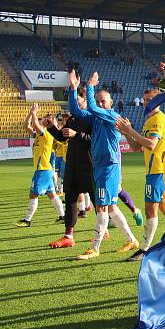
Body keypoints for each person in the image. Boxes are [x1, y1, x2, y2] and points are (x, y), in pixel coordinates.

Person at [67, 70, 139, 260]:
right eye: (98, 101)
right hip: (100, 167)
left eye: (103, 101)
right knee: (112, 208)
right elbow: (76, 111)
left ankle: (95, 247)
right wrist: (73, 89)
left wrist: (90, 86)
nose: (99, 104)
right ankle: (132, 240)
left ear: (111, 104)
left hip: (108, 167)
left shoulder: (111, 116)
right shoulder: (96, 118)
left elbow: (90, 106)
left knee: (101, 208)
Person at [116, 88, 165, 262]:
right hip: (154, 171)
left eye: (150, 100)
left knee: (150, 209)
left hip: (158, 171)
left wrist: (130, 131)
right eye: (145, 100)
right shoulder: (150, 121)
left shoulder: (158, 120)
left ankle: (144, 249)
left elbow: (152, 144)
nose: (146, 103)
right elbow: (136, 147)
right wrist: (127, 132)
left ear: (159, 102)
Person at [46, 92, 95, 248]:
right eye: (74, 103)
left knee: (97, 200)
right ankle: (68, 236)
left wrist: (77, 134)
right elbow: (62, 137)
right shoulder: (72, 119)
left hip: (89, 165)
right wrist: (51, 128)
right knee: (70, 199)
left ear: (85, 101)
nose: (76, 106)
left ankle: (103, 229)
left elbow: (95, 140)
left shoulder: (92, 117)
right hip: (72, 166)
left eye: (78, 102)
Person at [15, 105, 65, 227]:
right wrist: (31, 113)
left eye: (44, 119)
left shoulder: (46, 134)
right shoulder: (38, 135)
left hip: (42, 170)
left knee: (33, 194)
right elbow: (26, 126)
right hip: (45, 170)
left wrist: (34, 113)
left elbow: (36, 125)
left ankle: (27, 220)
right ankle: (62, 216)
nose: (41, 119)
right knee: (52, 194)